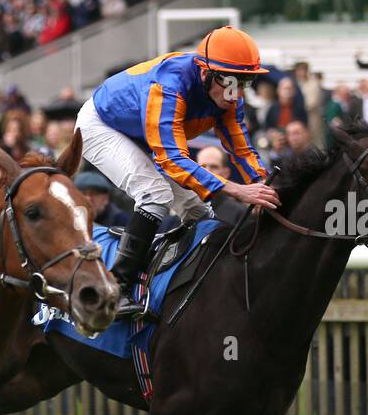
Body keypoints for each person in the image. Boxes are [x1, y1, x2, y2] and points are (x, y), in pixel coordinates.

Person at [75, 25, 278, 317]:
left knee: (199, 211)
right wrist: (236, 189)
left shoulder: (228, 94)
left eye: (244, 82)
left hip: (146, 135)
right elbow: (170, 159)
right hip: (101, 126)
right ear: (206, 74)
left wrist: (261, 182)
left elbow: (242, 148)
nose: (235, 93)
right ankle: (116, 289)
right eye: (231, 81)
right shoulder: (170, 85)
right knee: (153, 193)